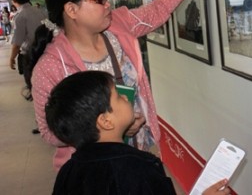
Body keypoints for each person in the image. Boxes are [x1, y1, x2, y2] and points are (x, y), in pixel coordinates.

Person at [29, 0, 216, 170]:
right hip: (95, 171)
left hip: (139, 152)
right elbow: (49, 132)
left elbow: (159, 9)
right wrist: (111, 128)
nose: (108, 4)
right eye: (100, 0)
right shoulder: (51, 67)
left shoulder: (119, 24)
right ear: (71, 9)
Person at [46, 71, 231, 195]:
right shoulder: (140, 168)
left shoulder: (68, 171)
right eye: (117, 96)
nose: (126, 97)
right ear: (105, 121)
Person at [8, 0, 47, 101]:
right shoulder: (40, 12)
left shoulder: (20, 17)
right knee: (44, 82)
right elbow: (51, 28)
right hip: (44, 52)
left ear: (13, 0)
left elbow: (17, 42)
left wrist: (11, 58)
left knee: (32, 84)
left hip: (29, 56)